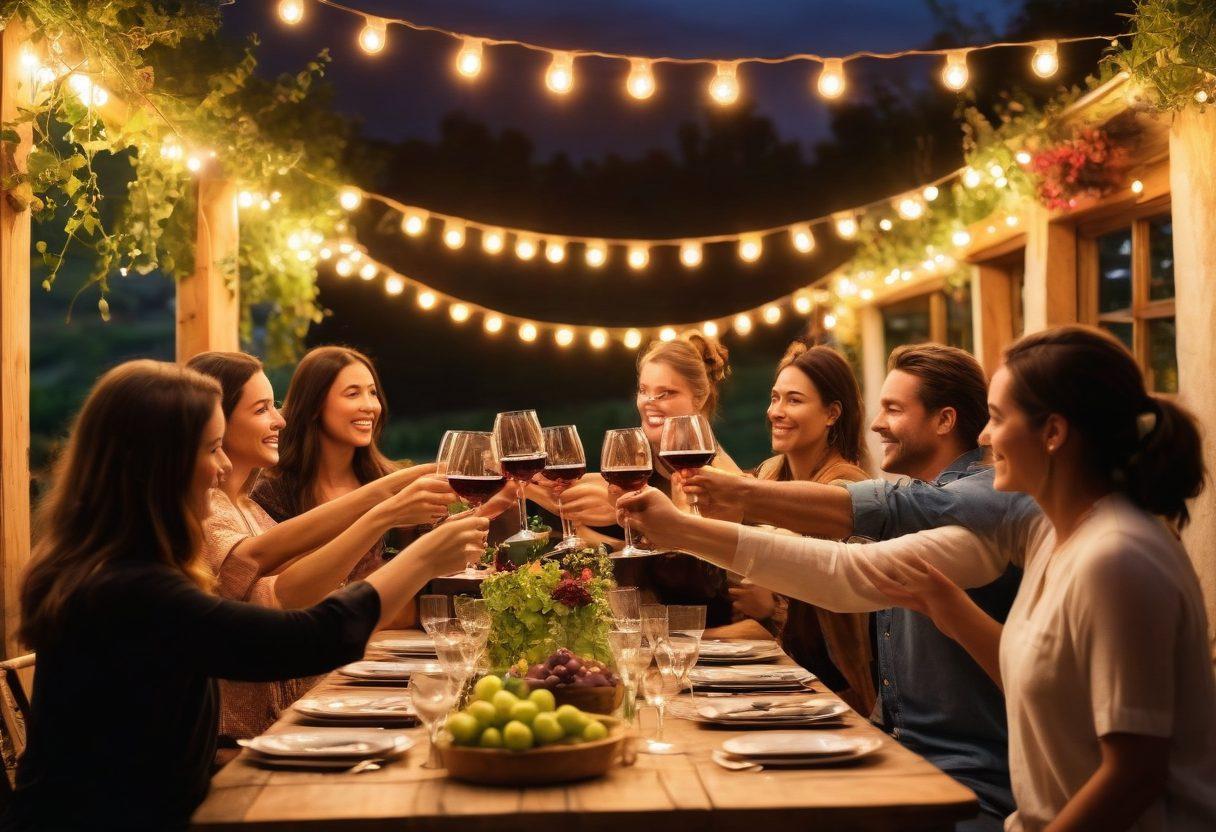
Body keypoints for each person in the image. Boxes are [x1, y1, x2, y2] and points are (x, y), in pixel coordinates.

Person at [622, 326, 1216, 830]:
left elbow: (1138, 774)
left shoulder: (1117, 558)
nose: (984, 437)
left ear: (1054, 433)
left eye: (999, 419)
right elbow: (853, 574)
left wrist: (692, 525)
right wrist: (949, 608)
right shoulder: (1044, 535)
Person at [4, 361, 494, 831]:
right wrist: (423, 559)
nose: (221, 468)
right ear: (161, 465)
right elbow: (306, 639)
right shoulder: (129, 589)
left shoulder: (110, 571)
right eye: (211, 448)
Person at [677, 343, 1030, 829]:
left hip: (969, 783)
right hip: (895, 752)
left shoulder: (978, 511)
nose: (877, 424)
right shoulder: (922, 502)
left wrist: (713, 513)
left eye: (893, 409)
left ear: (945, 421)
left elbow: (844, 571)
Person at [187, 351, 457, 739]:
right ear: (215, 422)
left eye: (372, 392)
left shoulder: (248, 508)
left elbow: (305, 590)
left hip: (291, 720)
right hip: (243, 741)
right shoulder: (214, 509)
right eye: (262, 409)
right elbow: (281, 594)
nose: (280, 418)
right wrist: (384, 507)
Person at [529, 331, 745, 630]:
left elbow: (695, 574)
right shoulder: (640, 461)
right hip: (647, 637)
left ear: (700, 397)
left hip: (713, 642)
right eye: (644, 391)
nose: (649, 403)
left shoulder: (721, 478)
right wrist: (522, 482)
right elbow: (566, 493)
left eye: (666, 393)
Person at [731, 341, 875, 713]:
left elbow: (848, 607)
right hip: (772, 675)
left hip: (833, 692)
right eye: (775, 398)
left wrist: (772, 609)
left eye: (794, 400)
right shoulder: (768, 473)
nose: (776, 412)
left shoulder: (846, 490)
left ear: (832, 413)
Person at [251, 346, 420, 611]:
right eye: (353, 394)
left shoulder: (394, 480)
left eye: (373, 392)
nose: (369, 406)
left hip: (396, 641)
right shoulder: (273, 491)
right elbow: (282, 593)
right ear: (315, 405)